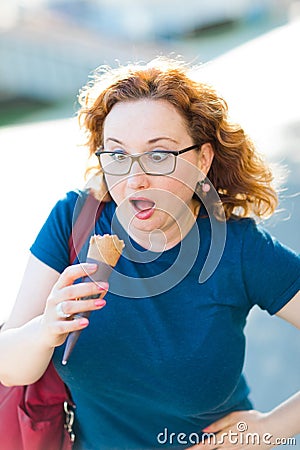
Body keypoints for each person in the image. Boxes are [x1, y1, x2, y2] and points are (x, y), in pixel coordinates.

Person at [0, 57, 299, 450]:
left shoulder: (240, 250)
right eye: (118, 156)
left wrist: (271, 428)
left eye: (159, 155)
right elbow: (10, 368)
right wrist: (46, 329)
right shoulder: (74, 223)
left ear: (202, 160)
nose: (135, 179)